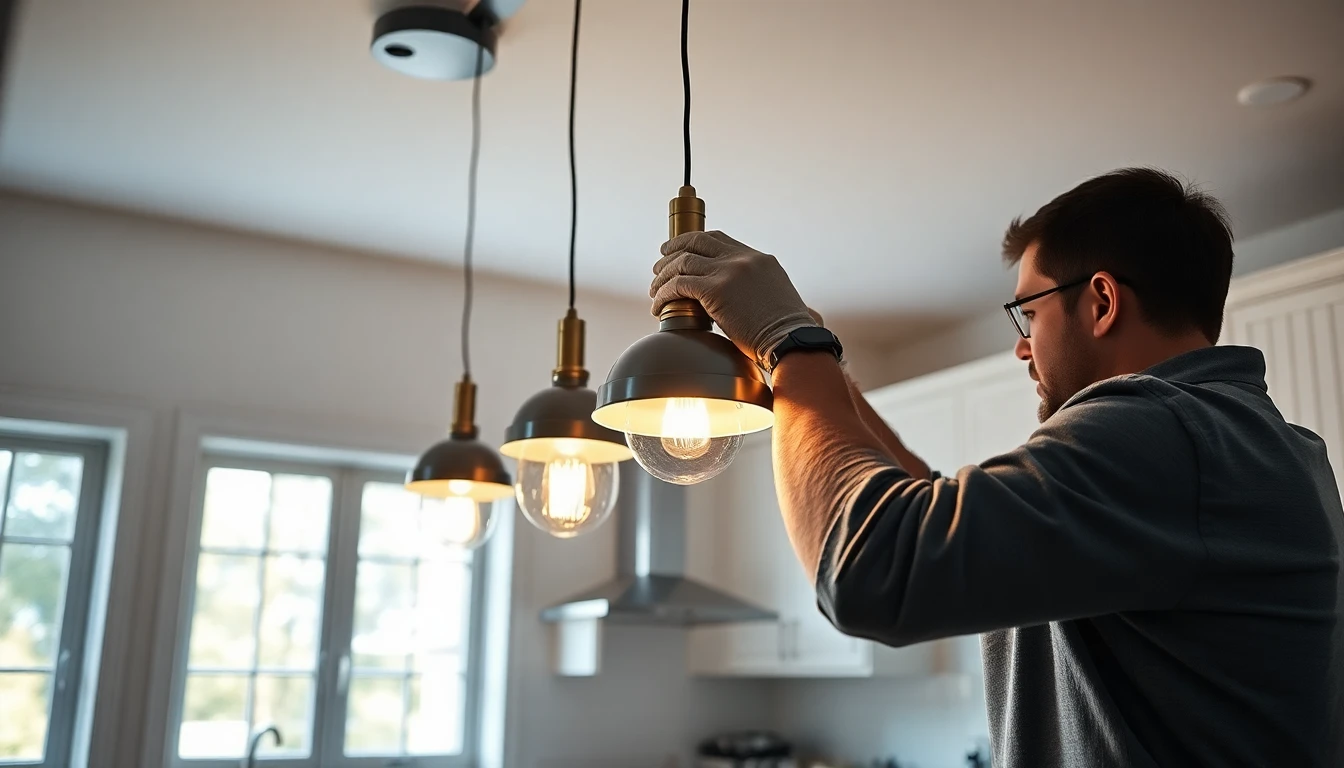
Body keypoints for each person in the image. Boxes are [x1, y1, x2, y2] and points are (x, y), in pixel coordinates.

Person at [649, 168, 1344, 767]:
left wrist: (790, 345)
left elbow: (869, 569)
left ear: (1100, 302)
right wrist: (816, 368)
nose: (1022, 348)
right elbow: (931, 510)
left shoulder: (1166, 431)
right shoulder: (1244, 443)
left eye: (1028, 312)